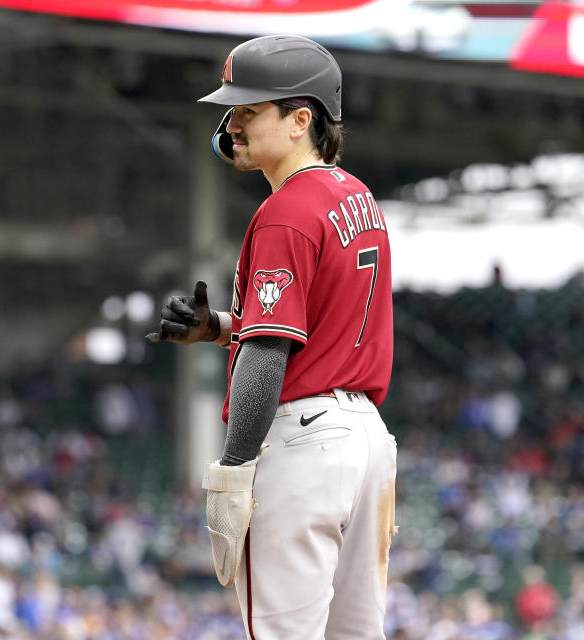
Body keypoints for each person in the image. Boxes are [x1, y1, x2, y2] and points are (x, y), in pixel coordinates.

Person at [146, 34, 397, 639]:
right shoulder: (355, 196)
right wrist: (219, 329)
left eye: (250, 111)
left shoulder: (285, 211)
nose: (232, 124)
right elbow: (315, 326)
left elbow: (269, 349)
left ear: (300, 120)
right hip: (366, 442)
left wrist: (235, 464)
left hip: (304, 443)